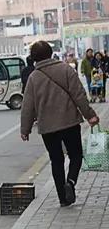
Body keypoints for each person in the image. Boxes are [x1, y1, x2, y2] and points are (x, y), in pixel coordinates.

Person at [21, 40, 100, 207]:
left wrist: (25, 129)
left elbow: (28, 106)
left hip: (48, 127)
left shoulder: (33, 78)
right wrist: (90, 116)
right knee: (76, 155)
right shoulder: (65, 69)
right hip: (69, 122)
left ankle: (63, 199)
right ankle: (70, 182)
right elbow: (79, 95)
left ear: (34, 58)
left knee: (56, 160)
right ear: (51, 53)